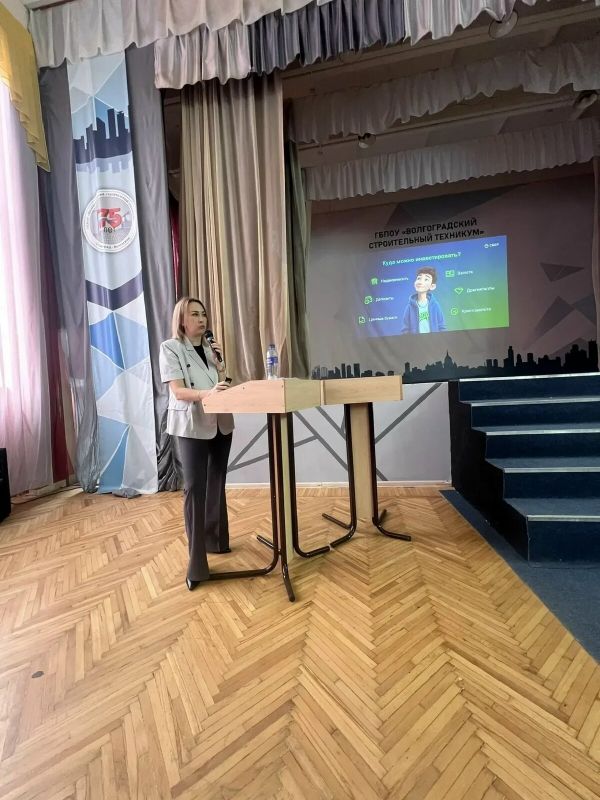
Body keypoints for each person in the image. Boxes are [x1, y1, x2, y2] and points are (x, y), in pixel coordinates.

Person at [159, 297, 234, 591]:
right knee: (194, 488)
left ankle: (216, 540)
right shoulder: (171, 348)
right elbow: (178, 392)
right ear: (182, 319)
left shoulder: (211, 349)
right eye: (194, 314)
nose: (202, 319)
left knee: (217, 482)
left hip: (221, 422)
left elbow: (223, 381)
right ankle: (197, 564)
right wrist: (208, 394)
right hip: (191, 424)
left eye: (203, 314)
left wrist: (221, 366)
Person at [401, 266, 447, 334]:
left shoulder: (435, 305)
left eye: (426, 279)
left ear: (432, 286)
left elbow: (442, 326)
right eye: (419, 278)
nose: (420, 282)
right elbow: (405, 329)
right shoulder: (409, 307)